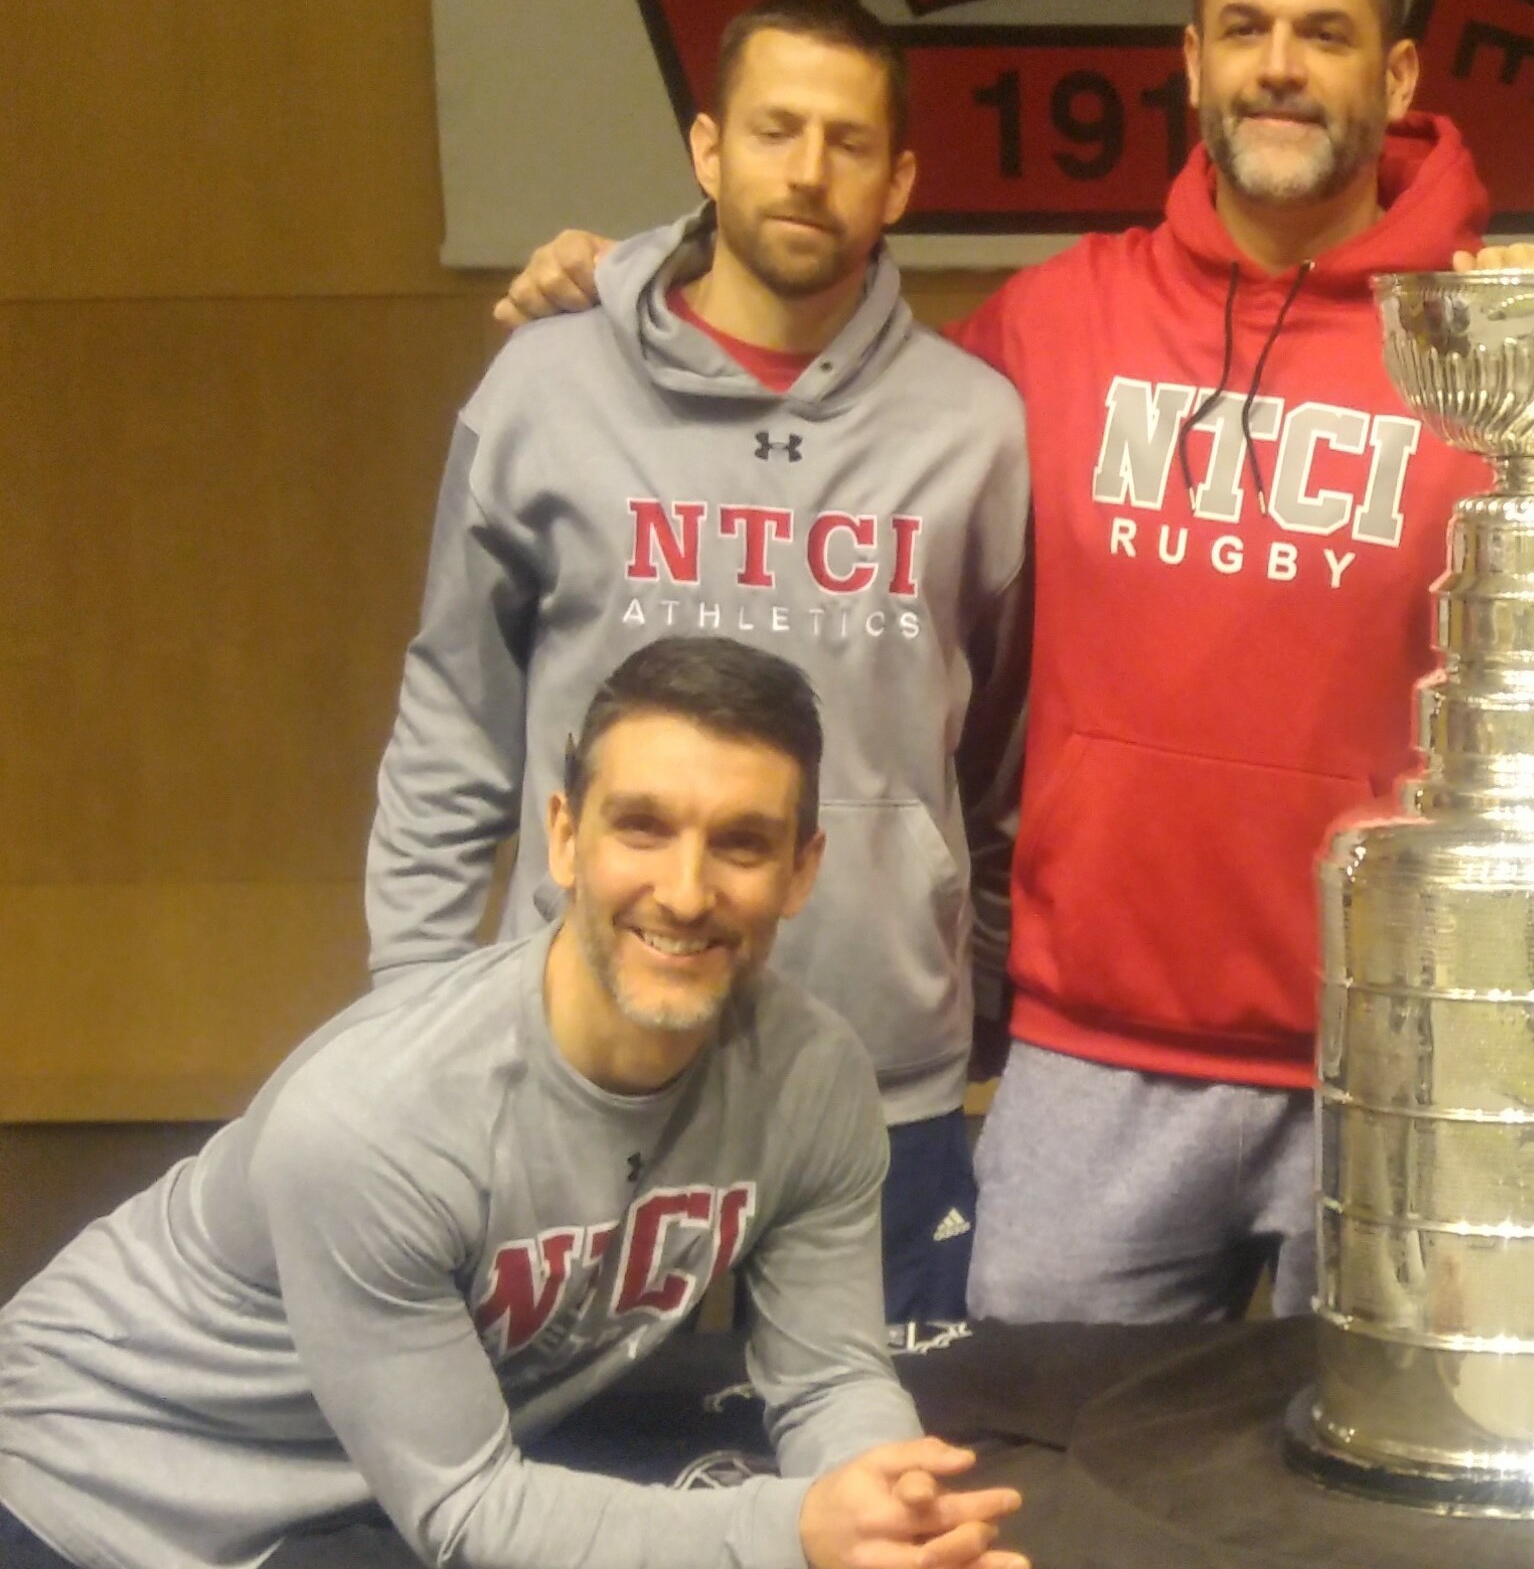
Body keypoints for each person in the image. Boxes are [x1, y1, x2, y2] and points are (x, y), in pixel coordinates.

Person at [495, 0, 1534, 1324]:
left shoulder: (1492, 335)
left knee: (1404, 1508)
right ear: (1189, 60)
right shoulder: (1049, 324)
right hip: (1098, 1059)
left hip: (1422, 1044)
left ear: (1392, 80)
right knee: (1056, 1475)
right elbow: (822, 409)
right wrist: (642, 276)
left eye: (1323, 33)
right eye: (1245, 29)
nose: (1279, 65)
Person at [0, 639, 1027, 1569]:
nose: (683, 889)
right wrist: (792, 1530)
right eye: (643, 826)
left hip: (384, 1472)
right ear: (566, 836)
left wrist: (896, 1512)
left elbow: (828, 1379)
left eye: (741, 843)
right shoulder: (372, 1121)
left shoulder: (814, 1078)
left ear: (803, 868)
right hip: (98, 1475)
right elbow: (468, 1511)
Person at [370, 0, 1031, 1323]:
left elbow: (1004, 755)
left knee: (879, 1471)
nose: (806, 169)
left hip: (873, 1070)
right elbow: (453, 720)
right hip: (583, 1050)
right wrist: (411, 1015)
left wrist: (981, 1001)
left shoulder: (975, 430)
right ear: (706, 148)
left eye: (849, 141)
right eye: (774, 129)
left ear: (899, 180)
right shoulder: (545, 392)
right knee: (579, 1479)